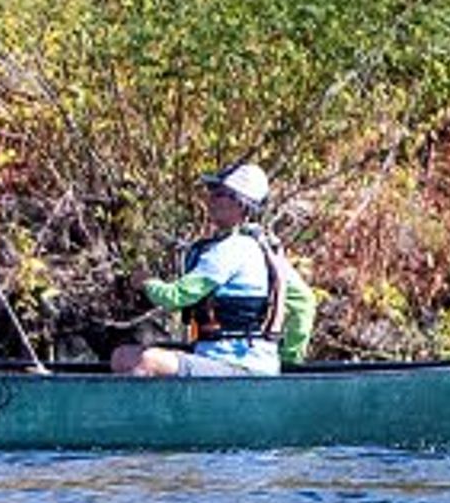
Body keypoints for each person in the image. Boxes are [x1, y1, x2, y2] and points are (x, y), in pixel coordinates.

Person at [114, 161, 313, 378]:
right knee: (122, 357)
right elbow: (304, 303)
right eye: (211, 191)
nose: (210, 199)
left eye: (219, 193)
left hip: (238, 365)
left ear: (241, 203)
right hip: (223, 358)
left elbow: (174, 297)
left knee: (147, 361)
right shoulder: (265, 249)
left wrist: (145, 281)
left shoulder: (231, 250)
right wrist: (288, 364)